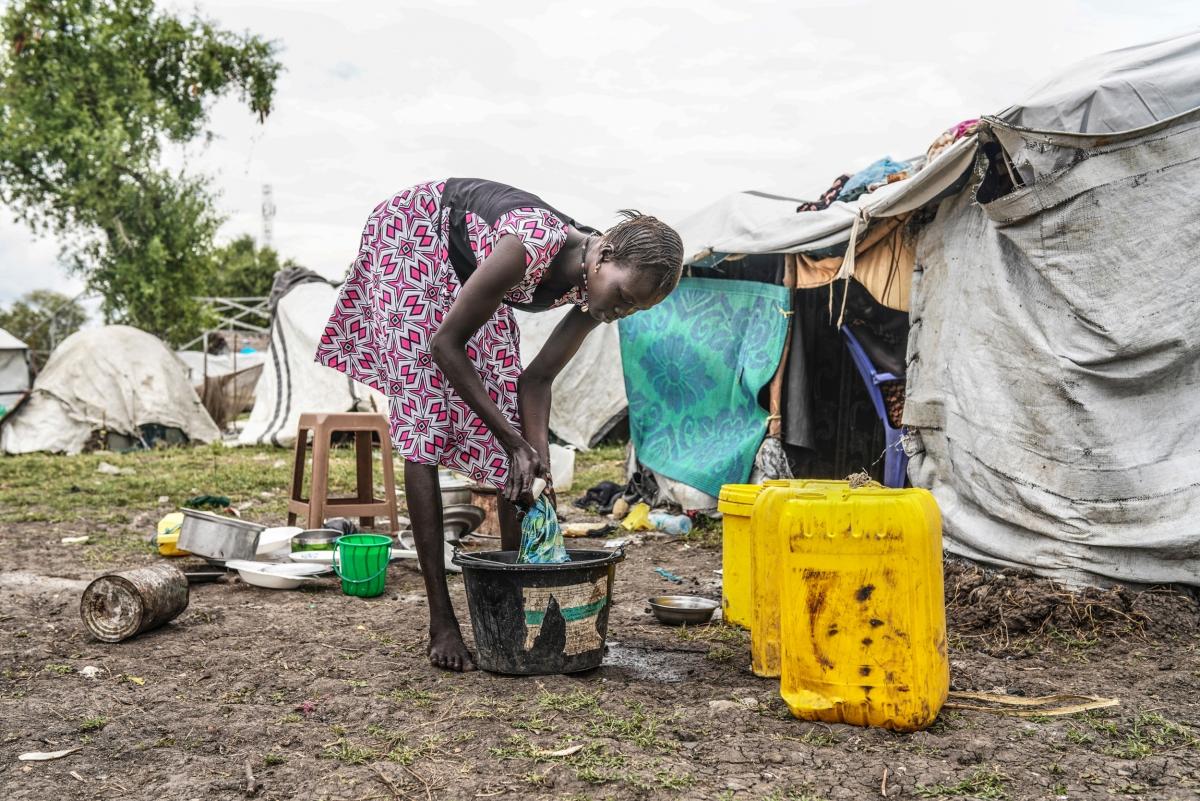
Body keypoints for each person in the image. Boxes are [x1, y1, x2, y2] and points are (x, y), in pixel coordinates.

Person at [315, 178, 684, 671]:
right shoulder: (528, 245)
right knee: (425, 417)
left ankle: (518, 602)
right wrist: (515, 442)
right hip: (414, 235)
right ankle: (442, 620)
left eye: (633, 308)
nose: (619, 311)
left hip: (468, 268)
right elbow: (445, 344)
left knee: (511, 440)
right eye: (622, 296)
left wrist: (538, 464)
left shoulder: (597, 289)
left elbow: (536, 381)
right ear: (605, 256)